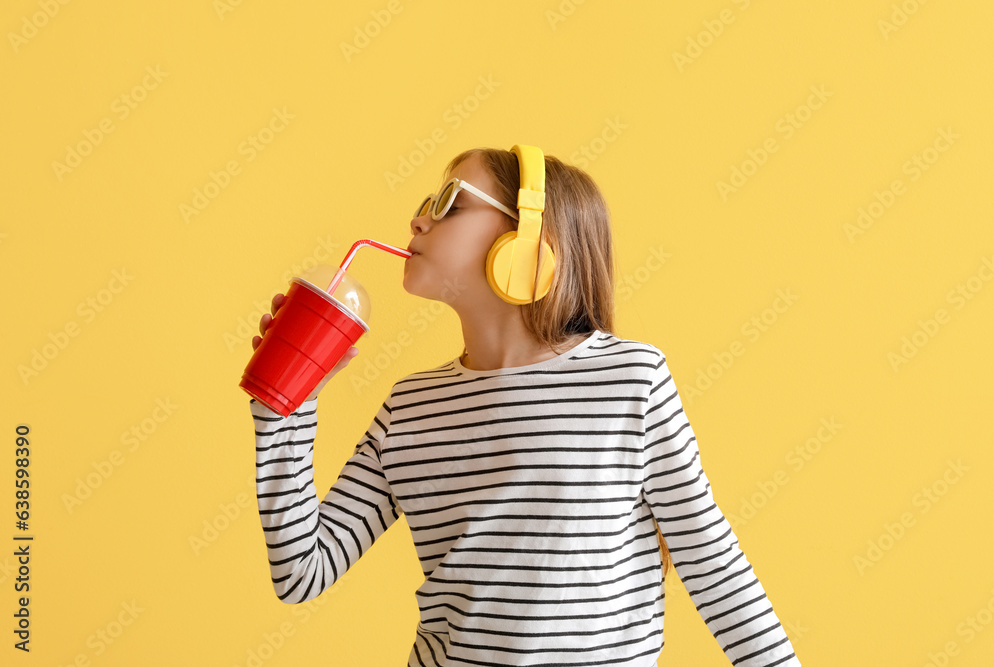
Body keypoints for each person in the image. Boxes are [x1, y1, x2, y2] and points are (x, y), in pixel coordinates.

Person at [249, 147, 801, 666]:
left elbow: (712, 565)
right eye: (424, 207)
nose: (417, 222)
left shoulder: (631, 381)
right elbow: (303, 572)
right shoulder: (410, 408)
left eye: (448, 204)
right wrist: (286, 407)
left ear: (526, 239)